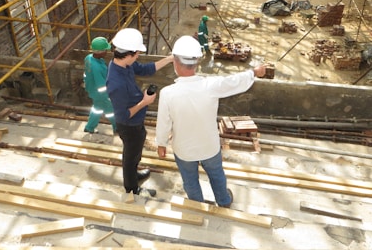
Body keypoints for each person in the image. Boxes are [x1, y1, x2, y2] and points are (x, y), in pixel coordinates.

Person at [156, 35, 266, 208]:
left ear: (174, 62)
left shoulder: (168, 93)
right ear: (197, 62)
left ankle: (197, 205)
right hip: (209, 147)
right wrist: (254, 72)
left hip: (184, 150)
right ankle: (224, 201)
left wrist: (161, 144)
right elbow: (234, 82)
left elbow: (163, 123)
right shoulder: (210, 86)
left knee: (190, 181)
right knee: (217, 175)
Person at [106, 28, 173, 196]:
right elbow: (122, 115)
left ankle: (134, 174)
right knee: (130, 156)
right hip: (128, 125)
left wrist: (170, 59)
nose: (138, 57)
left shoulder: (124, 63)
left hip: (136, 122)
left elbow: (145, 69)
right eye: (137, 54)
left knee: (135, 152)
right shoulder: (116, 83)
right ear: (128, 54)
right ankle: (131, 187)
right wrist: (145, 102)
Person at [83, 37, 116, 134]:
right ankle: (117, 128)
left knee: (97, 108)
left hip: (92, 89)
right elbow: (101, 86)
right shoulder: (97, 68)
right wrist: (108, 96)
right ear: (100, 52)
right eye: (105, 50)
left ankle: (89, 127)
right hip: (100, 94)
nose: (107, 52)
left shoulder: (88, 58)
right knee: (111, 111)